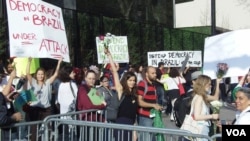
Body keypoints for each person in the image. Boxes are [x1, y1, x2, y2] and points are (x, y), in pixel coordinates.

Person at [25, 57, 62, 141]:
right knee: (34, 128)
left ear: (44, 75)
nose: (40, 76)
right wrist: (29, 62)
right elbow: (27, 73)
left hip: (46, 109)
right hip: (35, 109)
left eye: (42, 74)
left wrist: (59, 63)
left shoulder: (48, 82)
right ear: (36, 75)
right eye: (38, 74)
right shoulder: (33, 82)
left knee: (48, 127)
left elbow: (55, 74)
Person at [105, 48, 138, 141]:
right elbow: (115, 73)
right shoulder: (121, 90)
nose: (132, 82)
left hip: (131, 124)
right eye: (130, 80)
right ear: (126, 81)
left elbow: (134, 114)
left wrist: (135, 131)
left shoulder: (134, 94)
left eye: (134, 81)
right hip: (121, 123)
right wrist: (109, 55)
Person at [186, 75, 219, 141]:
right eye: (209, 84)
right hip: (200, 127)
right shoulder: (200, 97)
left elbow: (215, 98)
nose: (211, 86)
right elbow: (197, 116)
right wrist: (212, 116)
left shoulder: (201, 96)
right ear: (203, 84)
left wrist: (218, 83)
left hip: (200, 127)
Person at [137, 66, 163, 141]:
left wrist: (157, 106)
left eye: (155, 73)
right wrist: (153, 105)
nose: (155, 75)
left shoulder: (153, 84)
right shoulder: (142, 84)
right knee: (145, 138)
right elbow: (140, 102)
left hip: (153, 116)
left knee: (152, 138)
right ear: (146, 74)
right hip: (145, 117)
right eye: (152, 73)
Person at [0, 69, 23, 140]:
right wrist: (11, 77)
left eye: (1, 75)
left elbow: (14, 89)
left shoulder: (5, 80)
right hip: (5, 118)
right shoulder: (8, 79)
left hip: (10, 112)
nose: (0, 77)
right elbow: (4, 93)